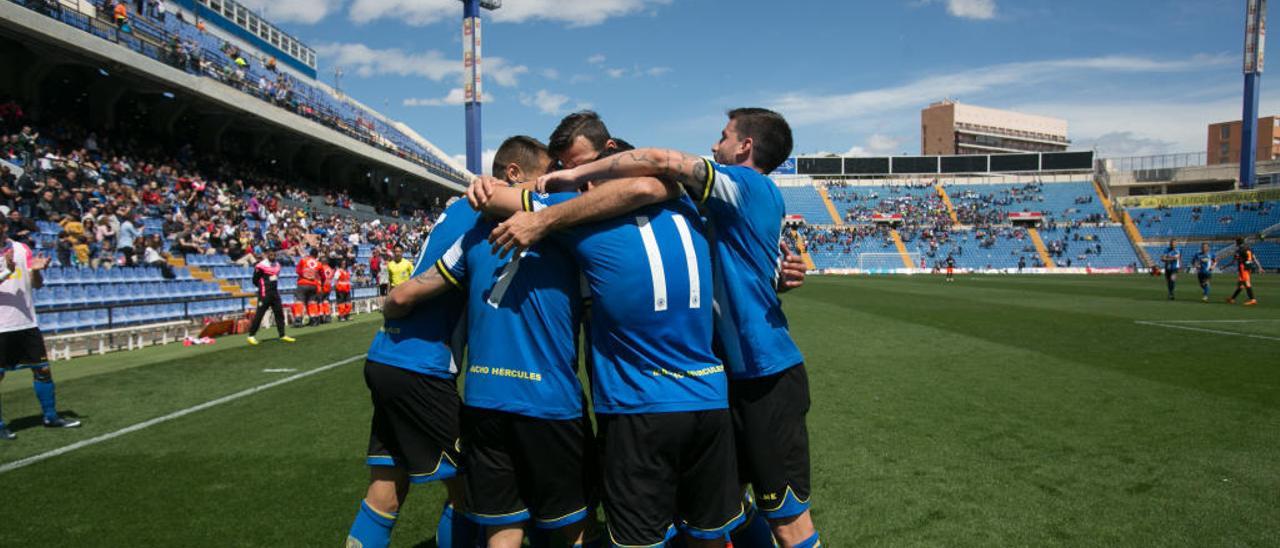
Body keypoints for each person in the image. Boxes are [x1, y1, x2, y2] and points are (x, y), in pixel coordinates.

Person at [504, 108, 820, 547]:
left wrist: (568, 180)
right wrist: (778, 280)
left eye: (724, 136)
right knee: (728, 508)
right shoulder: (709, 206)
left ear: (745, 146)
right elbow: (737, 270)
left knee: (788, 521)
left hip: (765, 377)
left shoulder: (747, 186)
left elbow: (659, 166)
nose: (714, 144)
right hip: (724, 379)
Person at [345, 200, 485, 548]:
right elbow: (405, 294)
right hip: (423, 365)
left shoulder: (457, 208)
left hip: (386, 356)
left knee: (386, 485)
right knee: (473, 483)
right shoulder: (489, 208)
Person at [0, 220, 81, 441]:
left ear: (3, 227)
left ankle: (51, 416)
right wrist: (7, 271)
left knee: (43, 371)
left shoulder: (20, 248)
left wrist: (36, 271)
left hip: (27, 322)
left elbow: (36, 284)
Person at [246, 249, 294, 345]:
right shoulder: (261, 266)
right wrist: (262, 288)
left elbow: (276, 277)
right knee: (259, 314)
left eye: (274, 254)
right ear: (267, 255)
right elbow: (255, 280)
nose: (272, 256)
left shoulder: (277, 265)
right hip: (264, 294)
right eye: (270, 254)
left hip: (274, 293)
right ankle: (251, 336)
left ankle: (282, 335)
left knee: (279, 313)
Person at [294, 248, 323, 327]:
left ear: (310, 254)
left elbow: (297, 271)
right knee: (312, 302)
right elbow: (322, 276)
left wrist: (305, 275)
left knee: (299, 302)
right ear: (316, 255)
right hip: (313, 285)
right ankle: (314, 320)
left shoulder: (303, 260)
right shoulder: (319, 264)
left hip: (302, 283)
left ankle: (298, 321)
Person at [1226, 238, 1259, 306]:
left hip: (1243, 267)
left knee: (1246, 283)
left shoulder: (1239, 250)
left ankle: (1252, 299)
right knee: (1240, 285)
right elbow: (1254, 258)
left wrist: (1226, 266)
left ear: (1237, 243)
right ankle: (1232, 299)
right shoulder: (1249, 248)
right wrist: (1259, 267)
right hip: (1249, 267)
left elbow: (1235, 260)